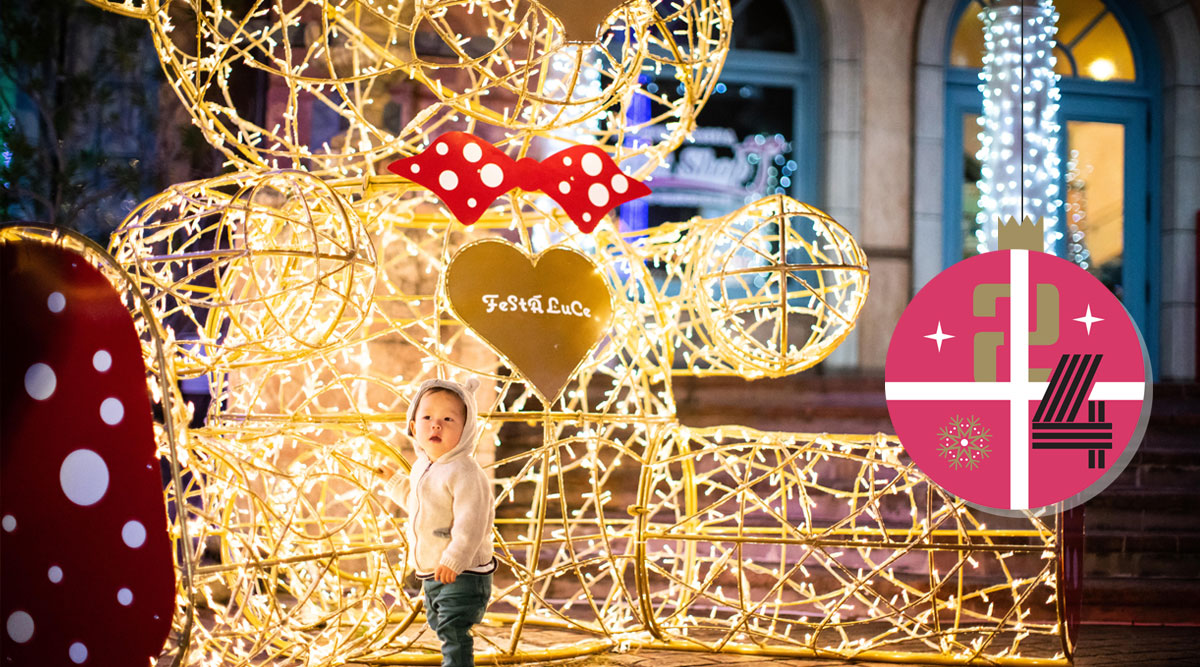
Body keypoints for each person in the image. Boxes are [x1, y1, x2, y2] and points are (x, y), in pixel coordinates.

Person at [380, 377, 496, 667]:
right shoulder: (423, 466)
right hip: (432, 569)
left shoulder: (465, 472)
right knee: (437, 621)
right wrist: (393, 481)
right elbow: (418, 503)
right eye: (427, 417)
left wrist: (455, 557)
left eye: (448, 419)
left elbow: (472, 522)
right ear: (412, 426)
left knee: (453, 627)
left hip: (464, 571)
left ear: (467, 430)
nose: (436, 425)